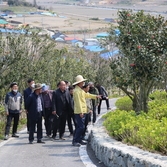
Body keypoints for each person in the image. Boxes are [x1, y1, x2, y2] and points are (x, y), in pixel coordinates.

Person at [72, 75, 101, 147]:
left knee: (82, 126)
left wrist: (95, 96)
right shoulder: (76, 91)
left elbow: (87, 95)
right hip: (79, 112)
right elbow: (78, 102)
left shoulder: (80, 90)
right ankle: (75, 140)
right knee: (80, 127)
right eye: (82, 82)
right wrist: (81, 112)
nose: (83, 83)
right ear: (79, 83)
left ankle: (79, 139)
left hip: (83, 111)